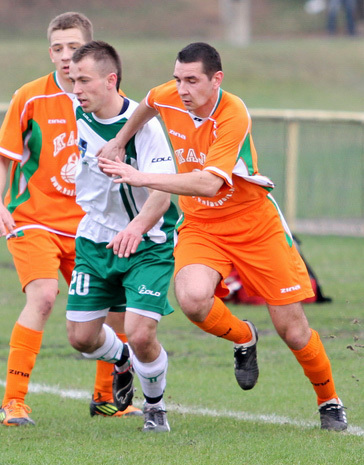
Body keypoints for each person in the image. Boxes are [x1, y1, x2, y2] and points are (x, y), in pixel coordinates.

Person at [98, 42, 347, 431]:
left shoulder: (232, 113)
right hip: (202, 226)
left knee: (293, 331)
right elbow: (146, 104)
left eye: (192, 80)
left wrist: (140, 176)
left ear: (217, 80)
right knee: (193, 300)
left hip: (255, 225)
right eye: (178, 79)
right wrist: (119, 140)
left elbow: (208, 183)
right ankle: (244, 338)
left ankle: (329, 400)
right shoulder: (171, 94)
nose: (182, 89)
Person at [0, 12, 141, 426]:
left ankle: (107, 399)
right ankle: (13, 402)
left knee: (112, 313)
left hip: (90, 228)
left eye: (73, 48)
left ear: (89, 50)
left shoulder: (109, 99)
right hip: (33, 219)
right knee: (42, 296)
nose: (65, 57)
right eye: (57, 48)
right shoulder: (31, 97)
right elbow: (2, 156)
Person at [66, 41, 179, 432]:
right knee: (81, 338)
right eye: (72, 79)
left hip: (147, 243)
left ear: (111, 80)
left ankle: (155, 407)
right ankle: (121, 359)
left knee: (140, 331)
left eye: (84, 80)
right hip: (94, 240)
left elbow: (163, 194)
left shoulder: (145, 129)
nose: (76, 88)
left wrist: (135, 227)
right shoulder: (78, 113)